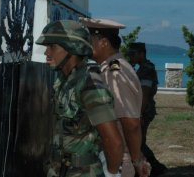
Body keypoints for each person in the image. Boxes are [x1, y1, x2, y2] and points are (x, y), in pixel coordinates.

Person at [35, 20, 123, 177]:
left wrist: (111, 173)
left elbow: (113, 142)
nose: (46, 53)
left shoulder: (90, 85)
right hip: (59, 169)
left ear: (72, 48)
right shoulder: (63, 80)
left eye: (52, 47)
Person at [80, 17, 150, 177]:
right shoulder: (112, 67)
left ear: (103, 42)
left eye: (89, 40)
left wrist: (136, 159)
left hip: (116, 162)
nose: (85, 45)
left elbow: (130, 123)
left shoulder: (114, 73)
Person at [127, 42, 168, 176]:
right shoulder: (141, 68)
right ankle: (154, 167)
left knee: (139, 142)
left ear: (141, 54)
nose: (130, 57)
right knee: (139, 141)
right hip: (142, 109)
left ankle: (154, 167)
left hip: (144, 110)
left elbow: (145, 93)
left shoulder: (146, 69)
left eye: (133, 54)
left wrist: (139, 114)